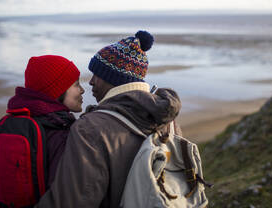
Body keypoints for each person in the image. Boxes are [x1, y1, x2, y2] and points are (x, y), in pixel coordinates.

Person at [36, 31, 182, 207]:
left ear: (111, 78)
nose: (90, 83)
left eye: (96, 75)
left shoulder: (90, 128)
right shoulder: (168, 120)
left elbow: (72, 201)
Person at [6, 54, 85, 187]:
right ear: (57, 90)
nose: (82, 90)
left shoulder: (17, 120)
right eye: (76, 84)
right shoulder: (59, 132)